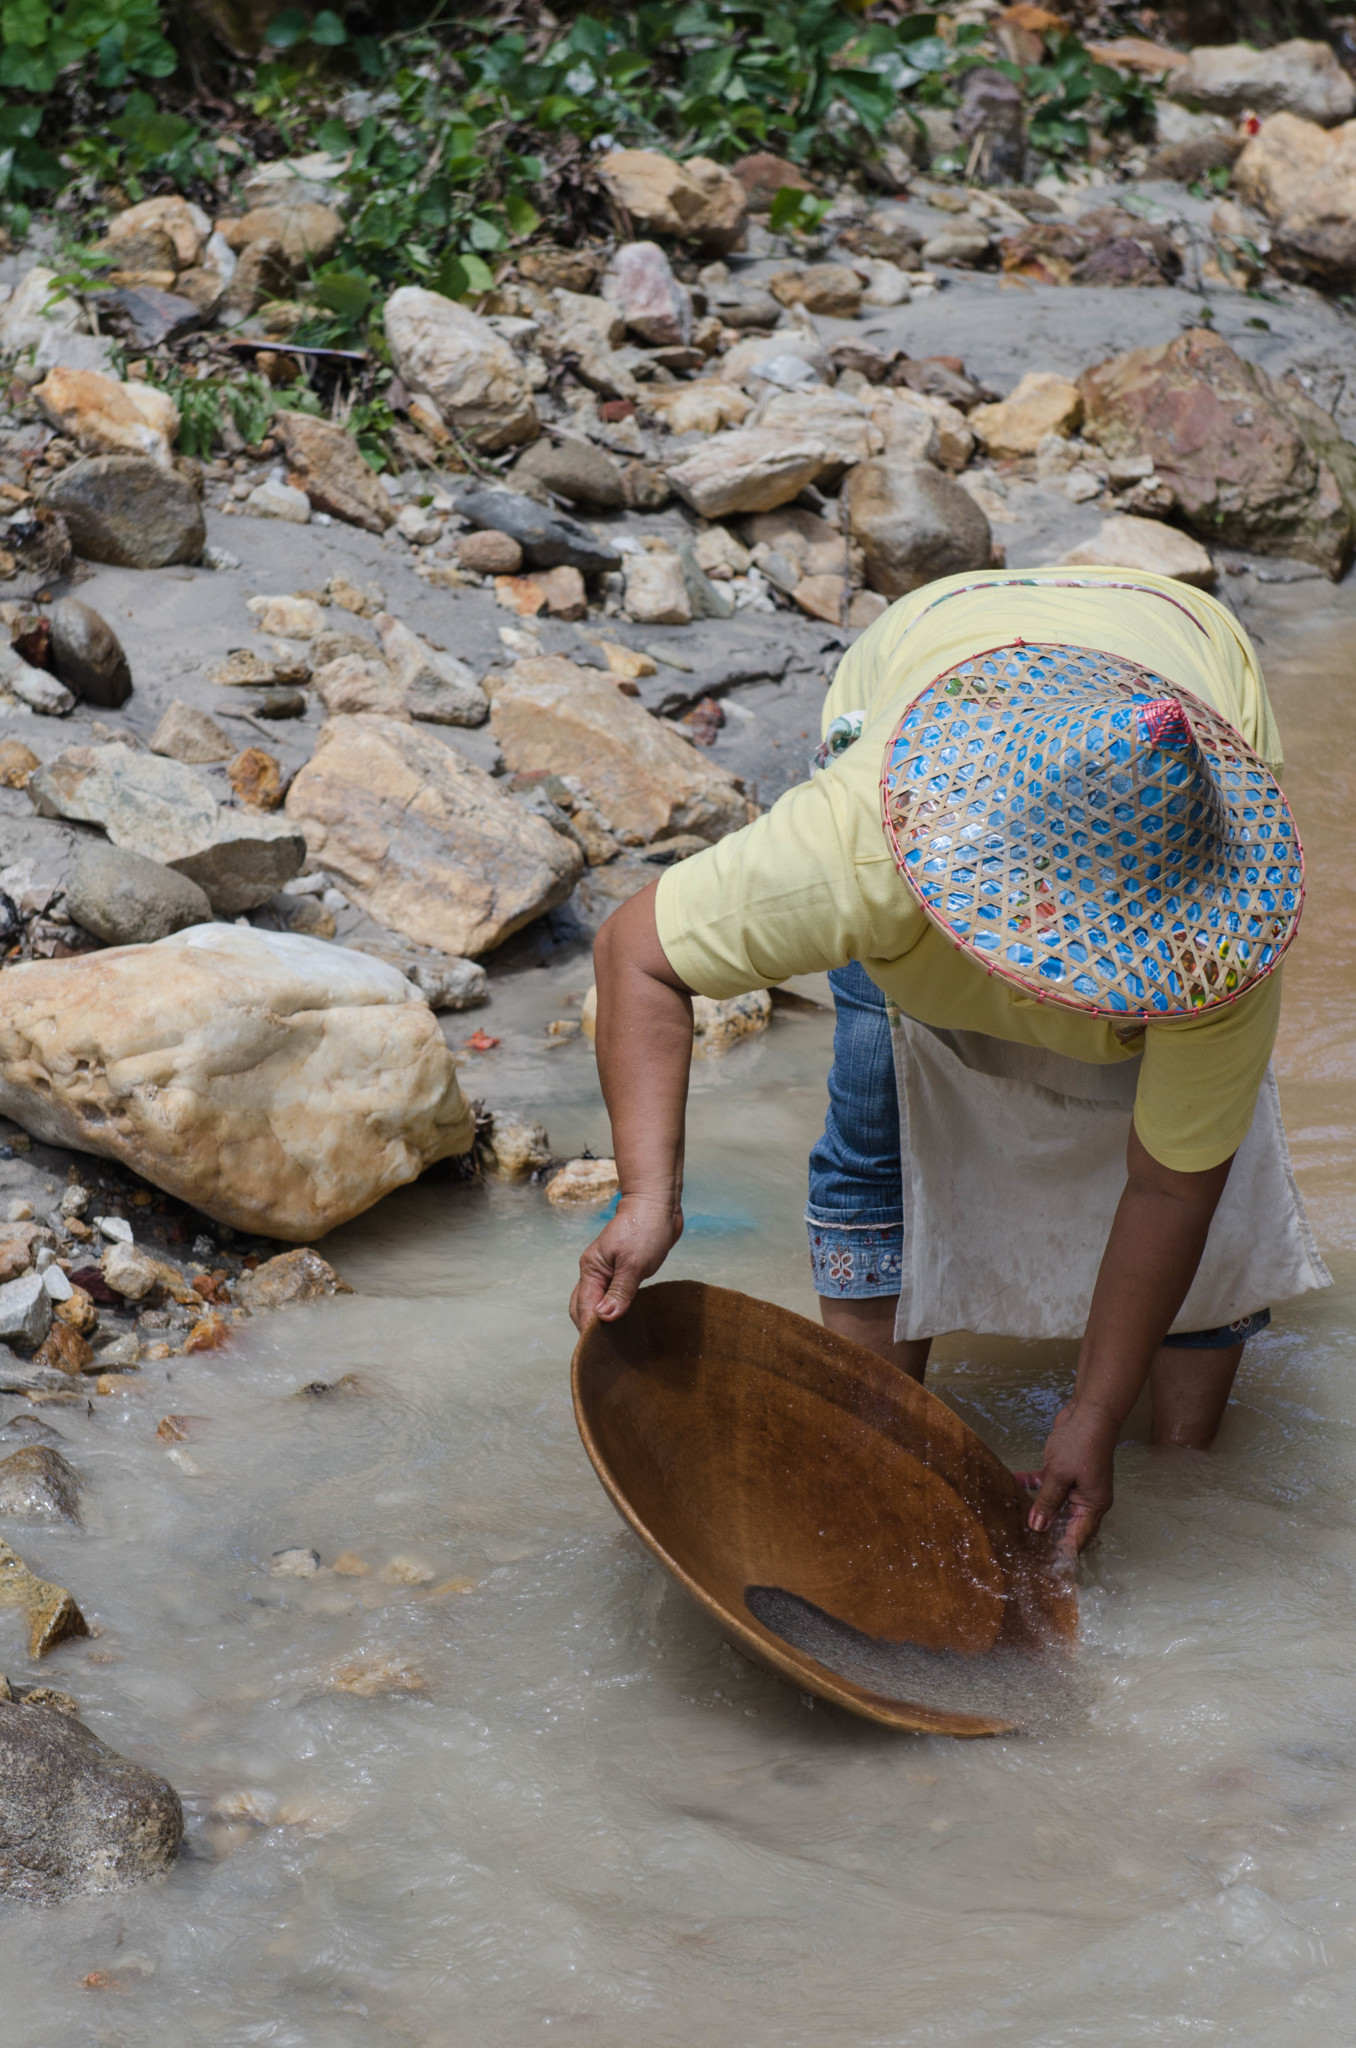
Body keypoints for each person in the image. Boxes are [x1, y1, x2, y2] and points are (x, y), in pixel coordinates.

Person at [569, 567, 1329, 1552]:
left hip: (1179, 647)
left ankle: (1182, 1464)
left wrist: (1093, 1417)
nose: (1079, 979)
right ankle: (875, 1442)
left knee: (1210, 1174)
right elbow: (638, 953)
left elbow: (1174, 1192)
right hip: (943, 651)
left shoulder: (1220, 942)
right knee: (877, 1123)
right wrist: (647, 1198)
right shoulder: (868, 844)